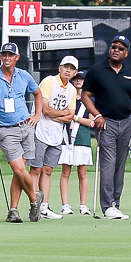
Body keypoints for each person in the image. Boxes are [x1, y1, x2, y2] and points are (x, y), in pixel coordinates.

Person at [0, 42, 43, 222]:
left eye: (10, 55)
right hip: (6, 130)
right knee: (19, 170)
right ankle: (35, 199)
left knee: (19, 172)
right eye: (4, 55)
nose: (7, 58)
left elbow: (38, 93)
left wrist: (37, 114)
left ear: (17, 58)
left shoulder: (24, 75)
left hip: (26, 126)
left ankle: (13, 210)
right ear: (0, 57)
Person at [80, 34, 131, 219]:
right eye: (114, 47)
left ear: (126, 53)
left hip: (126, 123)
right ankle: (107, 206)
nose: (116, 50)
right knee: (108, 164)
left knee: (119, 166)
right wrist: (97, 115)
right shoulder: (97, 70)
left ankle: (115, 204)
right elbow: (85, 95)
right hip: (106, 123)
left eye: (121, 48)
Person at [33, 56, 81, 220]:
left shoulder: (72, 90)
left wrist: (57, 115)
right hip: (40, 130)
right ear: (60, 68)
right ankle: (34, 204)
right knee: (36, 170)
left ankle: (44, 207)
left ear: (75, 73)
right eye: (66, 67)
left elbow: (71, 116)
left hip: (56, 134)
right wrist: (62, 113)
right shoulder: (49, 82)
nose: (68, 70)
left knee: (48, 170)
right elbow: (45, 109)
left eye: (72, 69)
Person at [59, 72, 95, 215]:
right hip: (66, 138)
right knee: (65, 172)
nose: (79, 81)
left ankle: (83, 205)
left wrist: (75, 118)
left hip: (82, 139)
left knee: (82, 172)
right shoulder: (67, 97)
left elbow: (91, 121)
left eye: (81, 79)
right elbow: (62, 115)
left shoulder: (90, 100)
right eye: (77, 79)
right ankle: (65, 205)